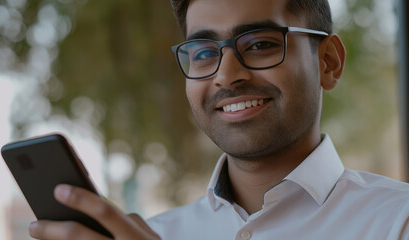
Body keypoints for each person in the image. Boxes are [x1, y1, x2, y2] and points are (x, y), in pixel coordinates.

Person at [28, 0, 409, 239]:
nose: (226, 75)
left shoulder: (398, 222)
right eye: (203, 52)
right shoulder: (156, 235)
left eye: (260, 44)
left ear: (328, 62)